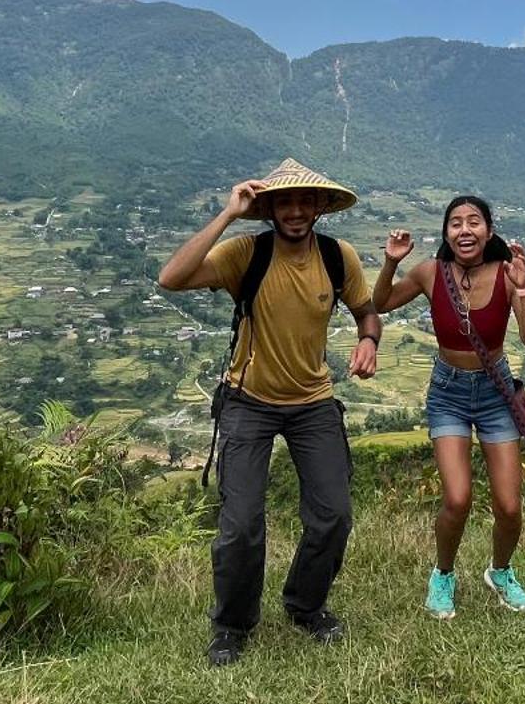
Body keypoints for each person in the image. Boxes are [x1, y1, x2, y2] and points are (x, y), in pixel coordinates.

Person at [157, 157, 381, 667]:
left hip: (313, 403)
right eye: (285, 201)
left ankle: (306, 606)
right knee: (240, 524)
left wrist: (369, 339)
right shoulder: (245, 253)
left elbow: (366, 310)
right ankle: (232, 625)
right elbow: (171, 277)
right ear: (270, 207)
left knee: (334, 515)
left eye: (306, 200)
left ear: (321, 206)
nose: (296, 210)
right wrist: (227, 215)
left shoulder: (336, 255)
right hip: (247, 403)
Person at [372, 196, 525, 619]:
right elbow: (381, 302)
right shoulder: (432, 272)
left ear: (489, 230)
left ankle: (501, 572)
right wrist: (392, 262)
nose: (464, 230)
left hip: (495, 392)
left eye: (474, 222)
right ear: (446, 232)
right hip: (447, 392)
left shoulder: (505, 274)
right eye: (455, 223)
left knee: (508, 506)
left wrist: (522, 287)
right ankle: (443, 574)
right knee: (457, 498)